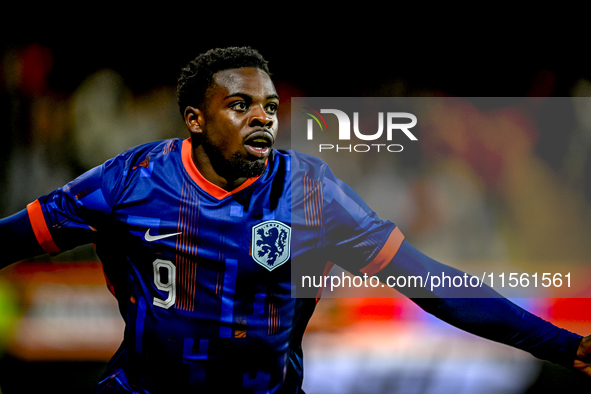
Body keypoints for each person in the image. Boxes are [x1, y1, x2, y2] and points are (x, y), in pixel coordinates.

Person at [0, 46, 589, 393]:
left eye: (267, 105)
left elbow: (432, 284)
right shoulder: (126, 183)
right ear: (194, 120)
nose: (262, 117)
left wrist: (563, 345)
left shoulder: (311, 192)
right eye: (239, 105)